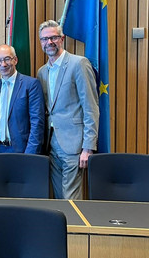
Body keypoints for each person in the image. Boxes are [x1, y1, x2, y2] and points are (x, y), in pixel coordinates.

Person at [36, 20, 99, 199]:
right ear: (41, 42)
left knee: (71, 199)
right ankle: (63, 229)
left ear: (62, 39)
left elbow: (91, 107)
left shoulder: (79, 64)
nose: (49, 42)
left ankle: (74, 229)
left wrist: (88, 147)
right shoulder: (42, 72)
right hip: (51, 145)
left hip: (74, 145)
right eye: (45, 39)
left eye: (54, 37)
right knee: (58, 197)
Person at [0, 44, 45, 154]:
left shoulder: (31, 85)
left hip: (23, 150)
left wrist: (30, 154)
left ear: (15, 60)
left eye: (7, 59)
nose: (3, 64)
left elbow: (37, 122)